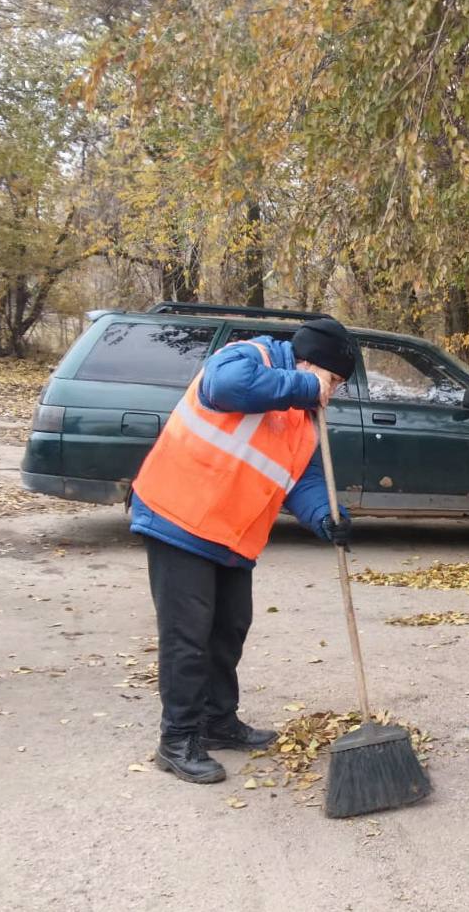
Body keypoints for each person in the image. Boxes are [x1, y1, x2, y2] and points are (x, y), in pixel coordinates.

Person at [129, 317, 356, 784]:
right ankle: (176, 740)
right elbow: (227, 386)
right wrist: (304, 385)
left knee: (229, 629)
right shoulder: (252, 357)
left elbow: (302, 478)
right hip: (180, 518)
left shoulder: (303, 417)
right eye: (333, 380)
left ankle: (218, 721)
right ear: (311, 364)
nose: (332, 391)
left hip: (231, 535)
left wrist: (325, 515)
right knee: (188, 636)